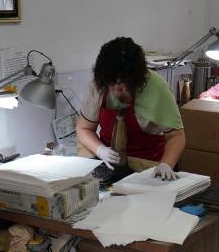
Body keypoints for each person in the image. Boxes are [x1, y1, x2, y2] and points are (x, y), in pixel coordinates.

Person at [76, 37, 185, 180]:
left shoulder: (156, 88)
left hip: (147, 167)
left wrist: (166, 165)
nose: (117, 90)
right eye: (112, 85)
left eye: (123, 86)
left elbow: (176, 136)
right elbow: (84, 128)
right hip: (110, 165)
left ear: (137, 79)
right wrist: (100, 150)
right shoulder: (100, 84)